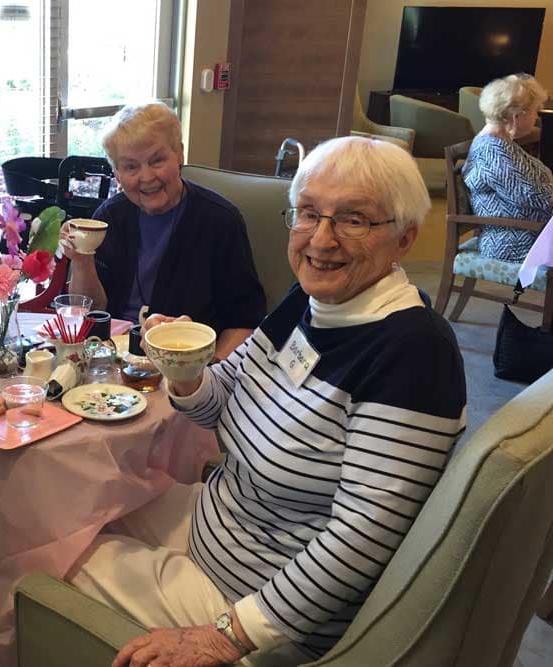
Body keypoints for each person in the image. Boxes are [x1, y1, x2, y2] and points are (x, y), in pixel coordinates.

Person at [67, 136, 467, 667]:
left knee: (44, 558)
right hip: (222, 525)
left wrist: (224, 637)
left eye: (354, 220)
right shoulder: (313, 298)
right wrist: (185, 370)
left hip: (261, 606)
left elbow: (362, 537)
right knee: (68, 514)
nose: (321, 240)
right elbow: (222, 398)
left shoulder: (413, 352)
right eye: (308, 214)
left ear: (404, 239)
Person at [61, 102, 266, 360]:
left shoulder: (221, 221)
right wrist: (82, 261)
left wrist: (208, 377)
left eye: (157, 160)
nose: (146, 177)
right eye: (131, 167)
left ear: (179, 154)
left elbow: (245, 322)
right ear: (117, 174)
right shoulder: (110, 217)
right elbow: (91, 312)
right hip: (111, 361)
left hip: (188, 365)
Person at [462, 73, 551, 262]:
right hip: (514, 241)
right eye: (536, 110)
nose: (537, 116)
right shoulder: (493, 150)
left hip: (531, 232)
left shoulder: (501, 142)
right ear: (517, 115)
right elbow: (533, 196)